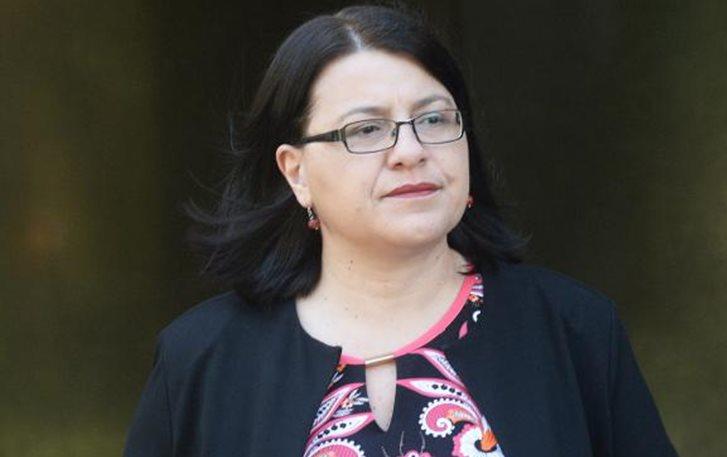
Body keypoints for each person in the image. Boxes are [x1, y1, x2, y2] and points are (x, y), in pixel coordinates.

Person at [123, 4, 678, 457]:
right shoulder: (201, 359)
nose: (410, 151)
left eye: (434, 119)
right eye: (366, 130)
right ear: (296, 173)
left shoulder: (574, 331)